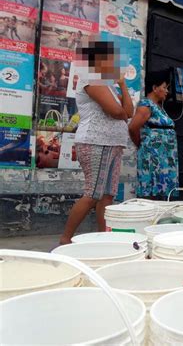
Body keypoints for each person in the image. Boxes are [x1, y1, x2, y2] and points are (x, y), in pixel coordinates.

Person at [59, 40, 133, 245]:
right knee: (92, 194)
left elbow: (129, 112)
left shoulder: (108, 85)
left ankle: (103, 239)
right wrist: (122, 111)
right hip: (95, 142)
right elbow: (117, 112)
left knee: (107, 195)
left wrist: (123, 84)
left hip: (113, 144)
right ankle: (66, 239)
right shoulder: (91, 79)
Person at [128, 70, 179, 199]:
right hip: (153, 158)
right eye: (164, 88)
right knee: (152, 192)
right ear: (155, 88)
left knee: (163, 193)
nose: (167, 91)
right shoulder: (146, 106)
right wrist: (142, 144)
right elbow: (133, 128)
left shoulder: (159, 107)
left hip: (165, 158)